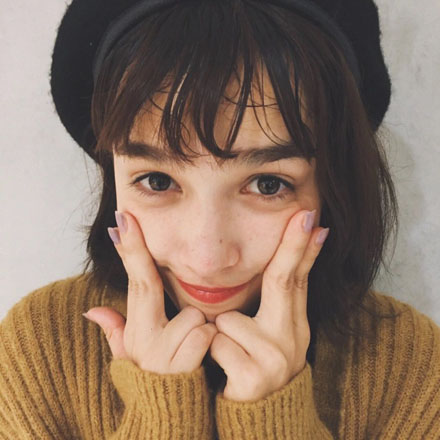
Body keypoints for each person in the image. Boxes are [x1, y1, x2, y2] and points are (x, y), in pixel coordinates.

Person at [1, 0, 439, 438]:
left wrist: (274, 423)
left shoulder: (413, 372)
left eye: (268, 184)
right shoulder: (36, 354)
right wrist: (161, 416)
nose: (207, 259)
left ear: (330, 183)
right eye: (157, 181)